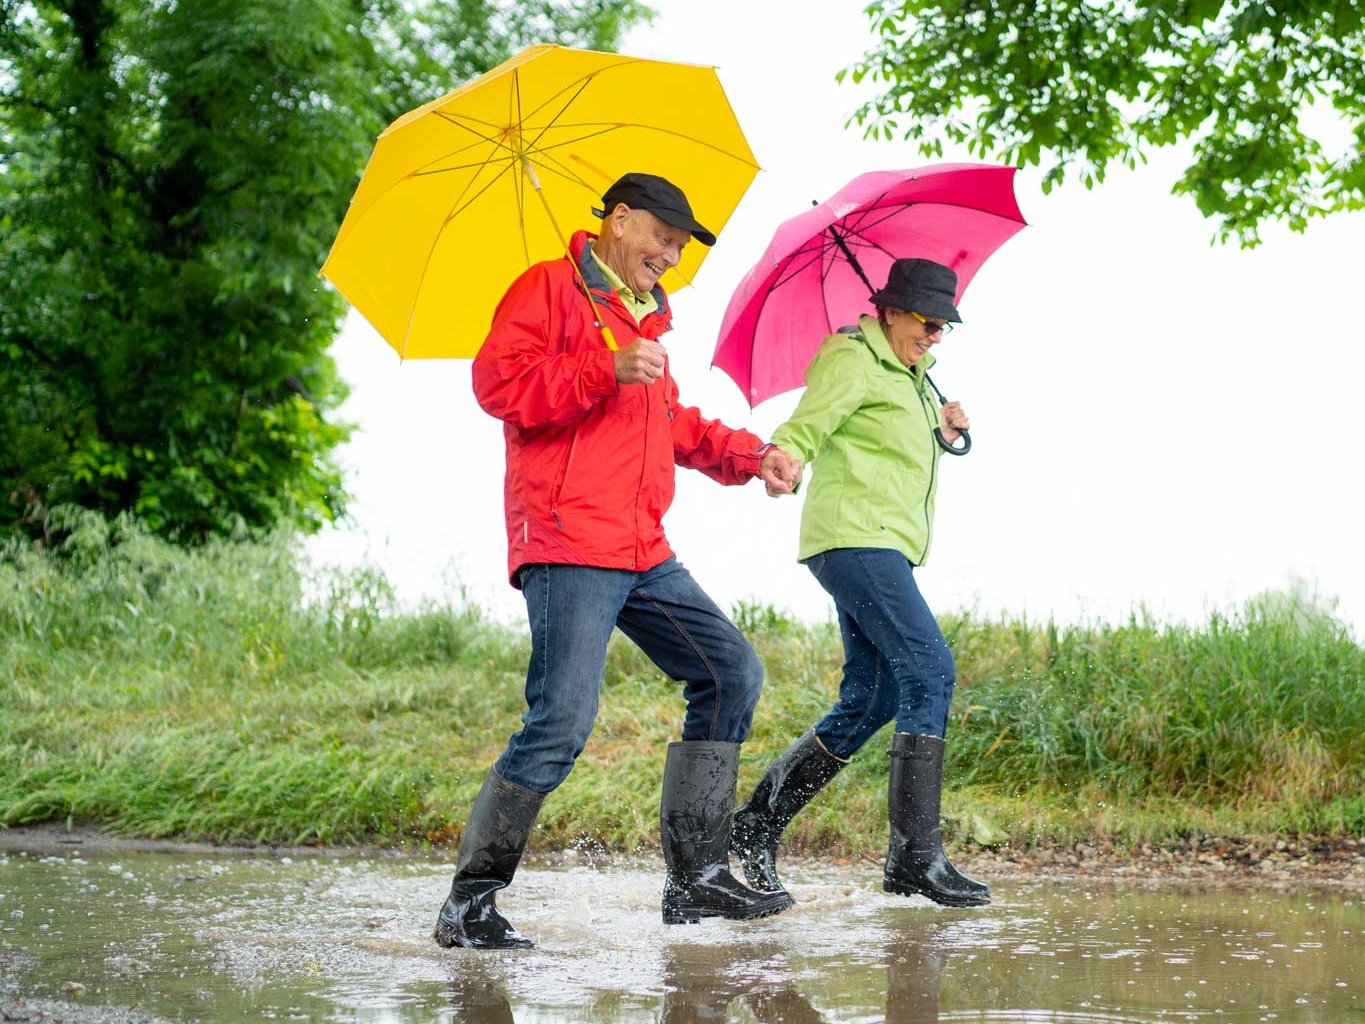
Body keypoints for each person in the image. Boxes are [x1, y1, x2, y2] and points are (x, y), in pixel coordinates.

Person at [432, 172, 801, 950]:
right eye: (661, 237)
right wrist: (602, 369)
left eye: (678, 245)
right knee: (560, 723)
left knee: (730, 671)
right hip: (568, 539)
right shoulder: (547, 289)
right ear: (619, 220)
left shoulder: (643, 323)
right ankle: (469, 905)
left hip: (641, 547)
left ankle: (695, 882)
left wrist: (753, 455)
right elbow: (497, 386)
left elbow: (673, 423)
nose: (669, 254)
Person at [730, 257, 991, 908]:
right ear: (891, 310)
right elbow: (809, 421)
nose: (934, 336)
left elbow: (902, 449)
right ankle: (913, 859)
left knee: (873, 697)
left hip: (883, 547)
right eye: (927, 322)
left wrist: (947, 433)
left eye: (944, 327)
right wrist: (783, 456)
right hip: (853, 538)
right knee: (928, 671)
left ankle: (755, 823)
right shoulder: (850, 357)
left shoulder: (916, 380)